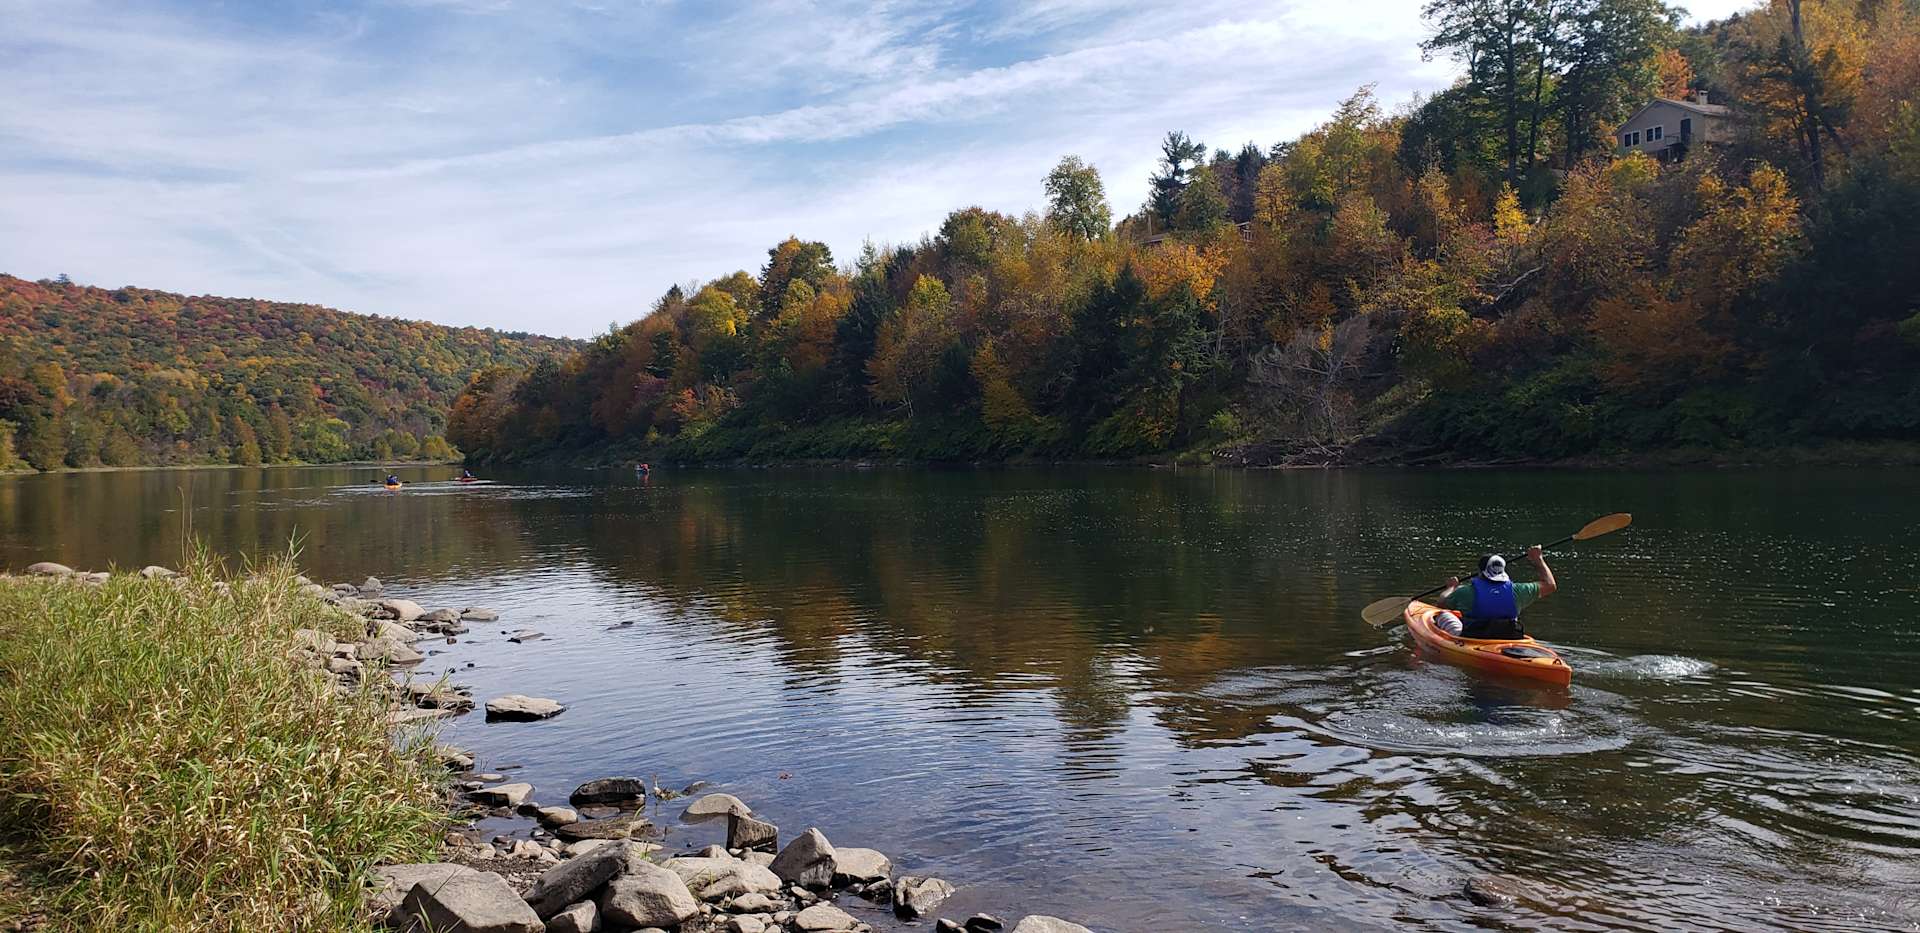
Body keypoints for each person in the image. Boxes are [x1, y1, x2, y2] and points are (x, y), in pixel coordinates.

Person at [1434, 546, 1557, 638]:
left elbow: (1441, 603)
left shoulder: (1465, 591)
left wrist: (1451, 588)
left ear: (1480, 571)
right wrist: (1538, 560)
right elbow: (1550, 585)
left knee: (1442, 614)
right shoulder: (1519, 590)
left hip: (1473, 637)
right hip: (1508, 636)